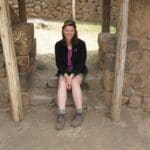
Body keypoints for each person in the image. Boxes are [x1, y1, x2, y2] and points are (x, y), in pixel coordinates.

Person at [55, 20, 88, 130]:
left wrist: (72, 75)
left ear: (75, 31)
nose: (69, 32)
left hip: (77, 71)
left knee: (74, 82)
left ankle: (79, 113)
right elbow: (59, 63)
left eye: (71, 30)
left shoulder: (81, 44)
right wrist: (65, 75)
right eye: (66, 30)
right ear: (63, 31)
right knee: (61, 83)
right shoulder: (58, 45)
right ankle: (61, 114)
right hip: (64, 72)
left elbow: (81, 63)